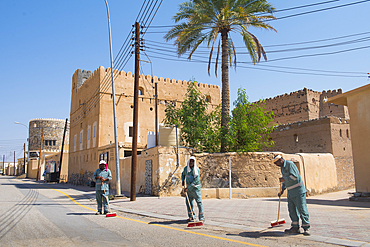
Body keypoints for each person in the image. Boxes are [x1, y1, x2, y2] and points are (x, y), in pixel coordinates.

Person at [273, 154, 311, 236]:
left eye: (276, 163)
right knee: (292, 210)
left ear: (280, 160)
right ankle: (295, 227)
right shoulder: (282, 168)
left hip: (298, 191)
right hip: (290, 192)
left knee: (302, 209)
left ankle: (306, 227)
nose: (276, 165)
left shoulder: (290, 164)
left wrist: (284, 179)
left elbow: (295, 177)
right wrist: (282, 190)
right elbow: (285, 181)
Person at [181, 156, 204, 222]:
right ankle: (191, 216)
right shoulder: (186, 169)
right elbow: (183, 174)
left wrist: (187, 188)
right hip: (189, 190)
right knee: (189, 203)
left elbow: (196, 181)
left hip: (195, 189)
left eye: (192, 161)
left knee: (199, 203)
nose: (191, 162)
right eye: (190, 161)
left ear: (194, 162)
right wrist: (183, 180)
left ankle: (201, 217)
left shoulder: (197, 170)